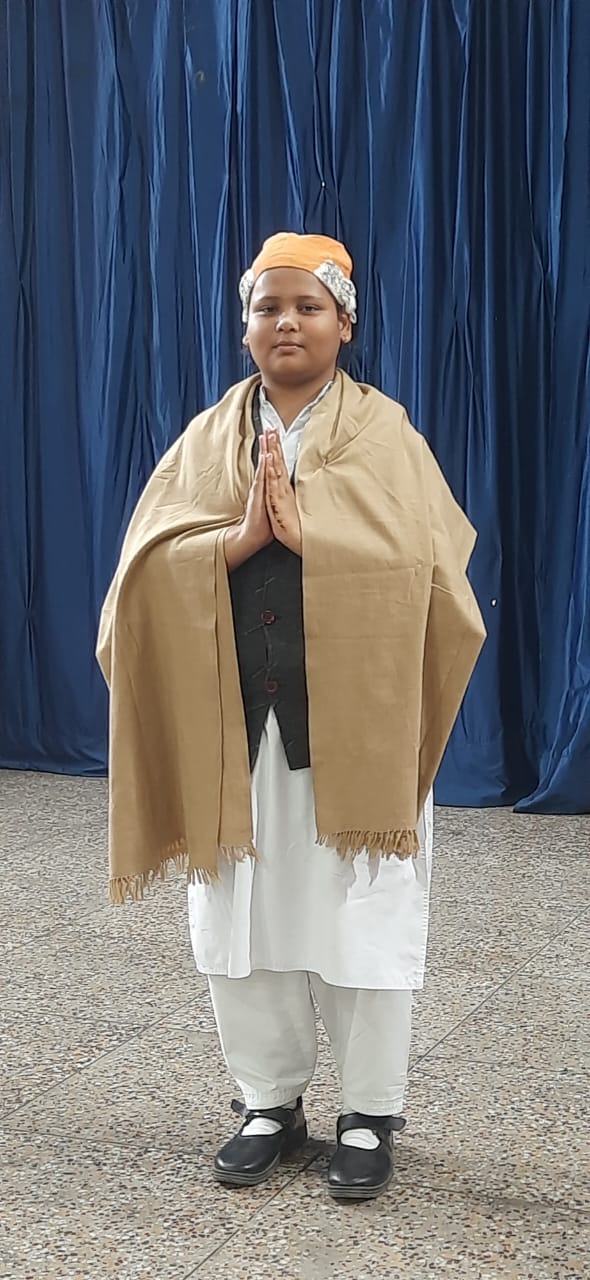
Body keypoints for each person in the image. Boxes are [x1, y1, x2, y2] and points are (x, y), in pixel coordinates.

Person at [97, 232, 485, 1201]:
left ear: (344, 323)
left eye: (307, 306)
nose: (286, 323)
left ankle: (368, 1112)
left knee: (362, 912)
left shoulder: (387, 436)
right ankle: (268, 1100)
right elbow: (140, 577)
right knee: (241, 913)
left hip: (353, 730)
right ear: (244, 329)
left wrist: (321, 542)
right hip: (235, 725)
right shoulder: (205, 441)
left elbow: (439, 576)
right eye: (267, 307)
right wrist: (233, 543)